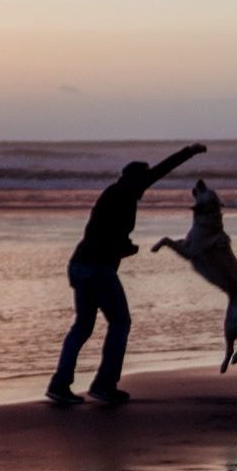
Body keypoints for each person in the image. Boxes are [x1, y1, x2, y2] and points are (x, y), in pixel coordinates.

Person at [46, 142, 207, 406]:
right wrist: (125, 248)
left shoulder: (119, 191)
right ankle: (103, 385)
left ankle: (60, 384)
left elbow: (161, 170)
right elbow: (107, 237)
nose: (147, 187)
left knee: (83, 326)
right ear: (136, 181)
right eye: (144, 181)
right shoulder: (122, 197)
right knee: (120, 322)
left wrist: (189, 152)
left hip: (80, 265)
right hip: (97, 269)